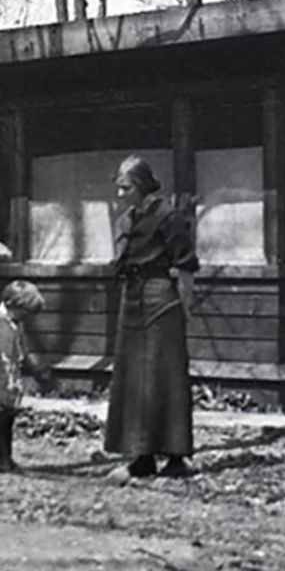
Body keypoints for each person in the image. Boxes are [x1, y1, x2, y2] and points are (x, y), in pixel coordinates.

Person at [105, 154, 198, 479]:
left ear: (142, 185)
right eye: (118, 188)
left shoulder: (168, 216)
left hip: (161, 300)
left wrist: (185, 308)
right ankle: (140, 456)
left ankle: (175, 457)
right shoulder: (128, 220)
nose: (120, 195)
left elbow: (185, 268)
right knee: (133, 378)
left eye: (125, 187)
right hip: (131, 299)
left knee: (164, 377)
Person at [0, 279, 48, 473]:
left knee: (9, 419)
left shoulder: (16, 323)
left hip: (11, 378)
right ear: (11, 304)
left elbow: (23, 349)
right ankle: (0, 458)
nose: (26, 318)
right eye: (25, 313)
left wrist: (35, 369)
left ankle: (7, 457)